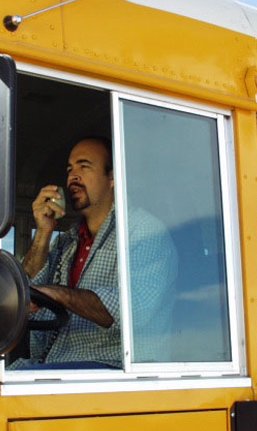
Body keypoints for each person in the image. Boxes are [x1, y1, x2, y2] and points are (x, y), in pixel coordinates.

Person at [9, 136, 178, 370]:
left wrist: (60, 294)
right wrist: (44, 232)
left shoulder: (144, 230)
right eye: (70, 169)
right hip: (55, 367)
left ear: (113, 177)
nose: (73, 176)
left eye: (84, 166)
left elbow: (134, 309)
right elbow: (30, 292)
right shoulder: (67, 241)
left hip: (115, 372)